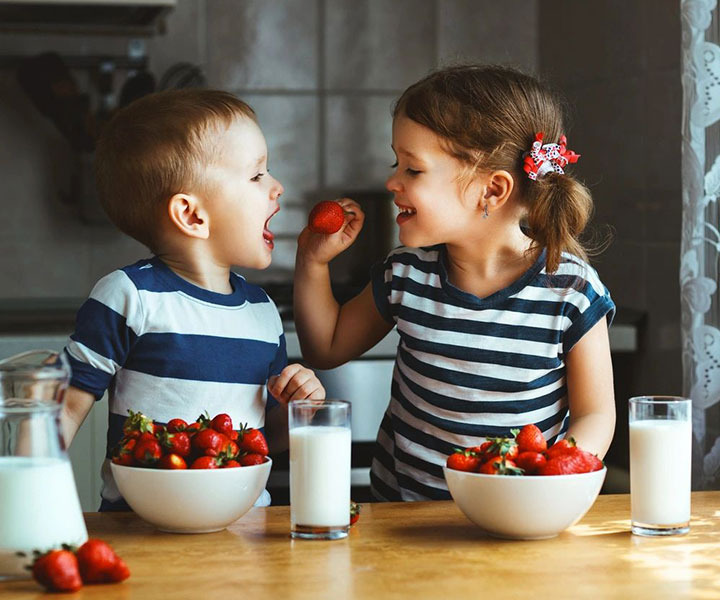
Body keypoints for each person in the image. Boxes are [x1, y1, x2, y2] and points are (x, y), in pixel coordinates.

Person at [293, 65, 616, 502]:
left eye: (413, 169)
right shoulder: (406, 274)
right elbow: (325, 347)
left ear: (492, 190)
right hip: (402, 523)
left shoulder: (571, 291)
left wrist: (552, 480)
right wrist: (313, 262)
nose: (392, 182)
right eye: (397, 163)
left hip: (513, 518)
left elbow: (596, 415)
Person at [60, 89, 325, 510]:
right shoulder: (129, 298)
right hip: (141, 536)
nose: (277, 187)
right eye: (257, 176)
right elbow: (65, 408)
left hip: (245, 536)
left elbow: (263, 439)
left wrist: (299, 412)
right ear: (192, 215)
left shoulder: (262, 312)